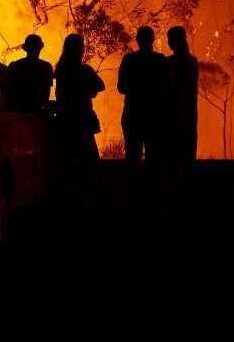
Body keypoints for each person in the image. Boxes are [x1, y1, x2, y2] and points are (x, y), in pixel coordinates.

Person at [117, 26, 170, 206]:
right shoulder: (161, 60)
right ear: (152, 40)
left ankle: (132, 198)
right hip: (155, 116)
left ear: (137, 40)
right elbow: (167, 87)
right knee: (154, 159)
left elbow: (121, 87)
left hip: (133, 114)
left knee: (132, 158)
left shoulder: (129, 59)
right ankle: (153, 198)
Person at [53, 33, 105, 206]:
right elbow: (100, 86)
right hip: (82, 122)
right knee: (90, 164)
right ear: (79, 50)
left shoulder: (59, 70)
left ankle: (66, 200)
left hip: (64, 122)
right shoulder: (84, 70)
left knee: (66, 163)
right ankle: (87, 199)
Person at [166, 26, 199, 207]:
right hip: (189, 119)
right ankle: (188, 202)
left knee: (172, 163)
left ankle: (174, 203)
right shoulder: (193, 62)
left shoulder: (168, 63)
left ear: (172, 41)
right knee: (188, 162)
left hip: (173, 120)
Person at [7, 33, 53, 112]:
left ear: (26, 48)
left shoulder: (14, 65)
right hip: (35, 111)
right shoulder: (46, 67)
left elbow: (8, 90)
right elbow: (46, 93)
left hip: (17, 110)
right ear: (40, 48)